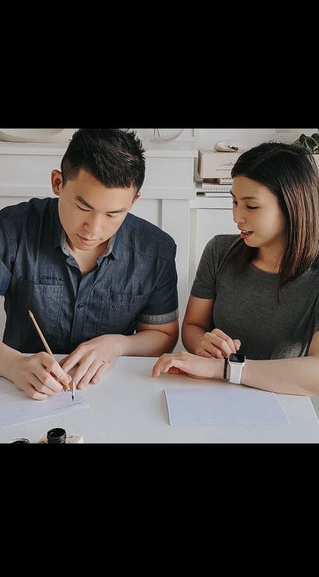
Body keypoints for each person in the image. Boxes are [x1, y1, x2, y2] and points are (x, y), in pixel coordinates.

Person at [0, 128, 179, 399]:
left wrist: (118, 345)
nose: (93, 229)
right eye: (83, 208)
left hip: (109, 392)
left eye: (113, 214)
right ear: (58, 183)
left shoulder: (155, 250)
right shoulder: (11, 230)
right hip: (19, 391)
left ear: (133, 201)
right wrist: (12, 365)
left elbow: (162, 335)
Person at [152, 141, 319, 397]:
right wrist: (204, 345)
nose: (237, 217)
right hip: (211, 395)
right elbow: (193, 326)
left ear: (292, 205)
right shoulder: (219, 251)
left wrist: (227, 369)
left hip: (281, 405)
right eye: (234, 202)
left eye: (251, 206)